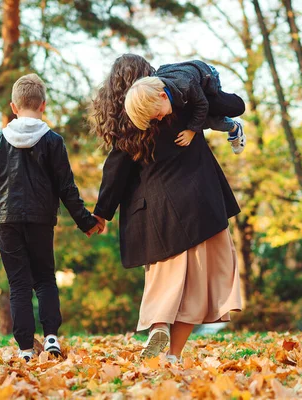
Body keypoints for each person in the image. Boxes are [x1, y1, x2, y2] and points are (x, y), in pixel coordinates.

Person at [89, 54, 243, 363]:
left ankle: (159, 325)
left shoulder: (129, 126)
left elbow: (115, 173)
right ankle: (173, 354)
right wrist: (212, 90)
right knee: (196, 286)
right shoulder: (179, 101)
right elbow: (235, 105)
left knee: (166, 282)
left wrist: (101, 213)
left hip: (159, 215)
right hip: (202, 204)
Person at [0, 73, 103, 362]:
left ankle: (25, 348)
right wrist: (86, 221)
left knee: (19, 285)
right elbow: (66, 187)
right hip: (39, 220)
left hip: (6, 219)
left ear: (14, 107)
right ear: (43, 105)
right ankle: (51, 338)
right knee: (45, 279)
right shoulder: (52, 141)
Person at [124, 60, 246, 154]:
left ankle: (234, 127)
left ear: (163, 96)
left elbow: (202, 105)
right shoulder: (158, 91)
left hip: (207, 78)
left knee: (208, 120)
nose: (160, 119)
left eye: (158, 114)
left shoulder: (185, 85)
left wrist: (192, 130)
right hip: (188, 78)